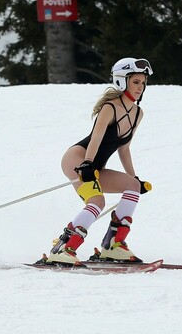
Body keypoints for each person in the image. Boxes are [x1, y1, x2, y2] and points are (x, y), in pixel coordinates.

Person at [43, 57, 153, 265]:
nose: (140, 87)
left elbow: (125, 148)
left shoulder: (138, 113)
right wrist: (87, 164)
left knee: (132, 187)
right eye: (136, 82)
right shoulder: (110, 108)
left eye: (143, 82)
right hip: (78, 158)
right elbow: (96, 138)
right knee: (97, 201)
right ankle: (64, 247)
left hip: (95, 165)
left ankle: (113, 245)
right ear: (122, 80)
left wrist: (134, 178)